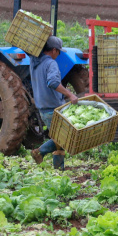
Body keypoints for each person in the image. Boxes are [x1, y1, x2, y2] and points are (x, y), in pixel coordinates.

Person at [30, 35, 78, 164]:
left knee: (61, 139)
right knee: (63, 138)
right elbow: (53, 82)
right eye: (58, 52)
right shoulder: (51, 63)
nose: (58, 54)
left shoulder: (34, 62)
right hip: (53, 108)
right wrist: (70, 94)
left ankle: (59, 169)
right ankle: (40, 152)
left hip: (43, 108)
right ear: (54, 50)